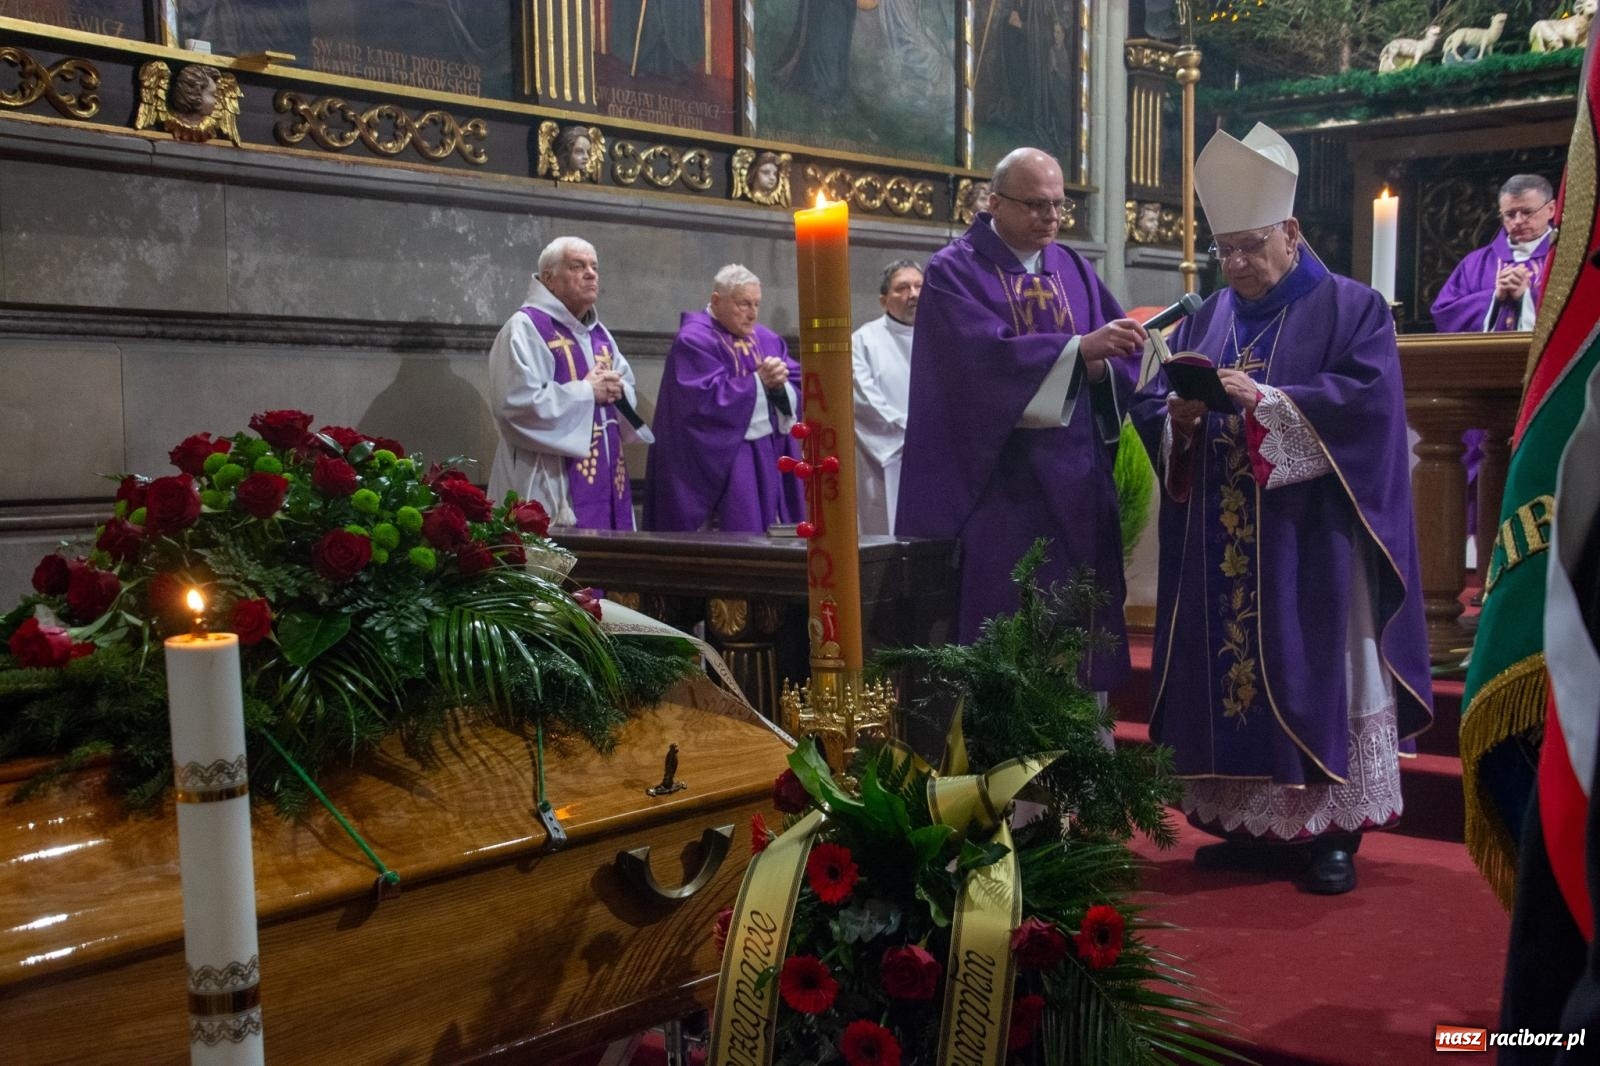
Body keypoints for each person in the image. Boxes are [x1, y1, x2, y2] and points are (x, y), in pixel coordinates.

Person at [1129, 123, 1434, 895]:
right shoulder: (1210, 318)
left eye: (1250, 247)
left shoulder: (1353, 308)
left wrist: (1264, 401)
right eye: (1223, 250)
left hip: (1312, 541)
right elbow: (1160, 404)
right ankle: (1247, 827)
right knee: (1229, 672)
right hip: (1222, 543)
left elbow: (1367, 410)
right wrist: (1181, 424)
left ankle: (1332, 833)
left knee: (1317, 667)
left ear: (1291, 231)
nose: (1234, 265)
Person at [896, 147, 1146, 691]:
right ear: (994, 202)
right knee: (1010, 631)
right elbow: (975, 368)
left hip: (1078, 488)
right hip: (1002, 491)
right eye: (1036, 205)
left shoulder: (1073, 268)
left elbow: (1117, 356)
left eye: (1059, 206)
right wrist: (1078, 350)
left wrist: (1104, 367)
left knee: (1079, 636)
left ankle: (1082, 764)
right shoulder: (954, 271)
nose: (1051, 218)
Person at [487, 236, 641, 529]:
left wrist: (618, 392)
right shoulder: (525, 328)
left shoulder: (599, 335)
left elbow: (626, 391)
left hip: (607, 479)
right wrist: (587, 392)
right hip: (549, 480)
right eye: (577, 266)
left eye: (594, 267)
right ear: (549, 279)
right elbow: (515, 405)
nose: (591, 273)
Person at [644, 264, 804, 532]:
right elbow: (700, 404)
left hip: (765, 454)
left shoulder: (766, 339)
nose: (752, 314)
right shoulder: (694, 340)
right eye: (743, 304)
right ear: (717, 301)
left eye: (756, 304)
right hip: (722, 460)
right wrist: (758, 382)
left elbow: (796, 382)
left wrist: (781, 384)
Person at [1431, 173, 1556, 333]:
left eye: (1527, 212)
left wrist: (1527, 297)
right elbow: (1444, 314)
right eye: (1510, 214)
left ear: (1551, 209)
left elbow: (1584, 308)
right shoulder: (1475, 264)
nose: (1518, 221)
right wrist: (1495, 298)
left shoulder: (1569, 259)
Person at [851, 259, 922, 536]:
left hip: (936, 456)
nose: (913, 294)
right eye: (902, 288)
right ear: (883, 300)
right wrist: (915, 434)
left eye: (918, 286)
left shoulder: (944, 338)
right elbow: (864, 401)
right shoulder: (864, 341)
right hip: (887, 458)